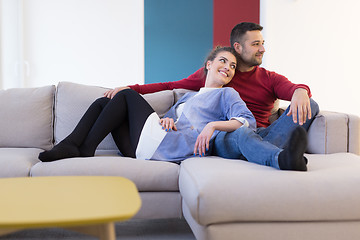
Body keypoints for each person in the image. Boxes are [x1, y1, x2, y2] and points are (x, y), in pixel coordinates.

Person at [104, 22, 319, 171]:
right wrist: (130, 88)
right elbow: (169, 85)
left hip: (262, 131)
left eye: (263, 44)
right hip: (229, 135)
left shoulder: (269, 78)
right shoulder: (218, 76)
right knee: (242, 134)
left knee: (312, 104)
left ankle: (267, 150)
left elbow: (294, 89)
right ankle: (279, 154)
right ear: (238, 47)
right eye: (256, 44)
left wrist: (301, 90)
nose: (262, 49)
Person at [38, 47, 257, 162]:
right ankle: (71, 144)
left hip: (168, 147)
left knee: (126, 96)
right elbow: (167, 120)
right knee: (103, 102)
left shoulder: (227, 93)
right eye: (223, 61)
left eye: (233, 66)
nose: (228, 67)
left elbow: (248, 122)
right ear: (209, 64)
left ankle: (85, 148)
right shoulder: (188, 97)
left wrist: (214, 126)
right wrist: (167, 119)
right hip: (140, 148)